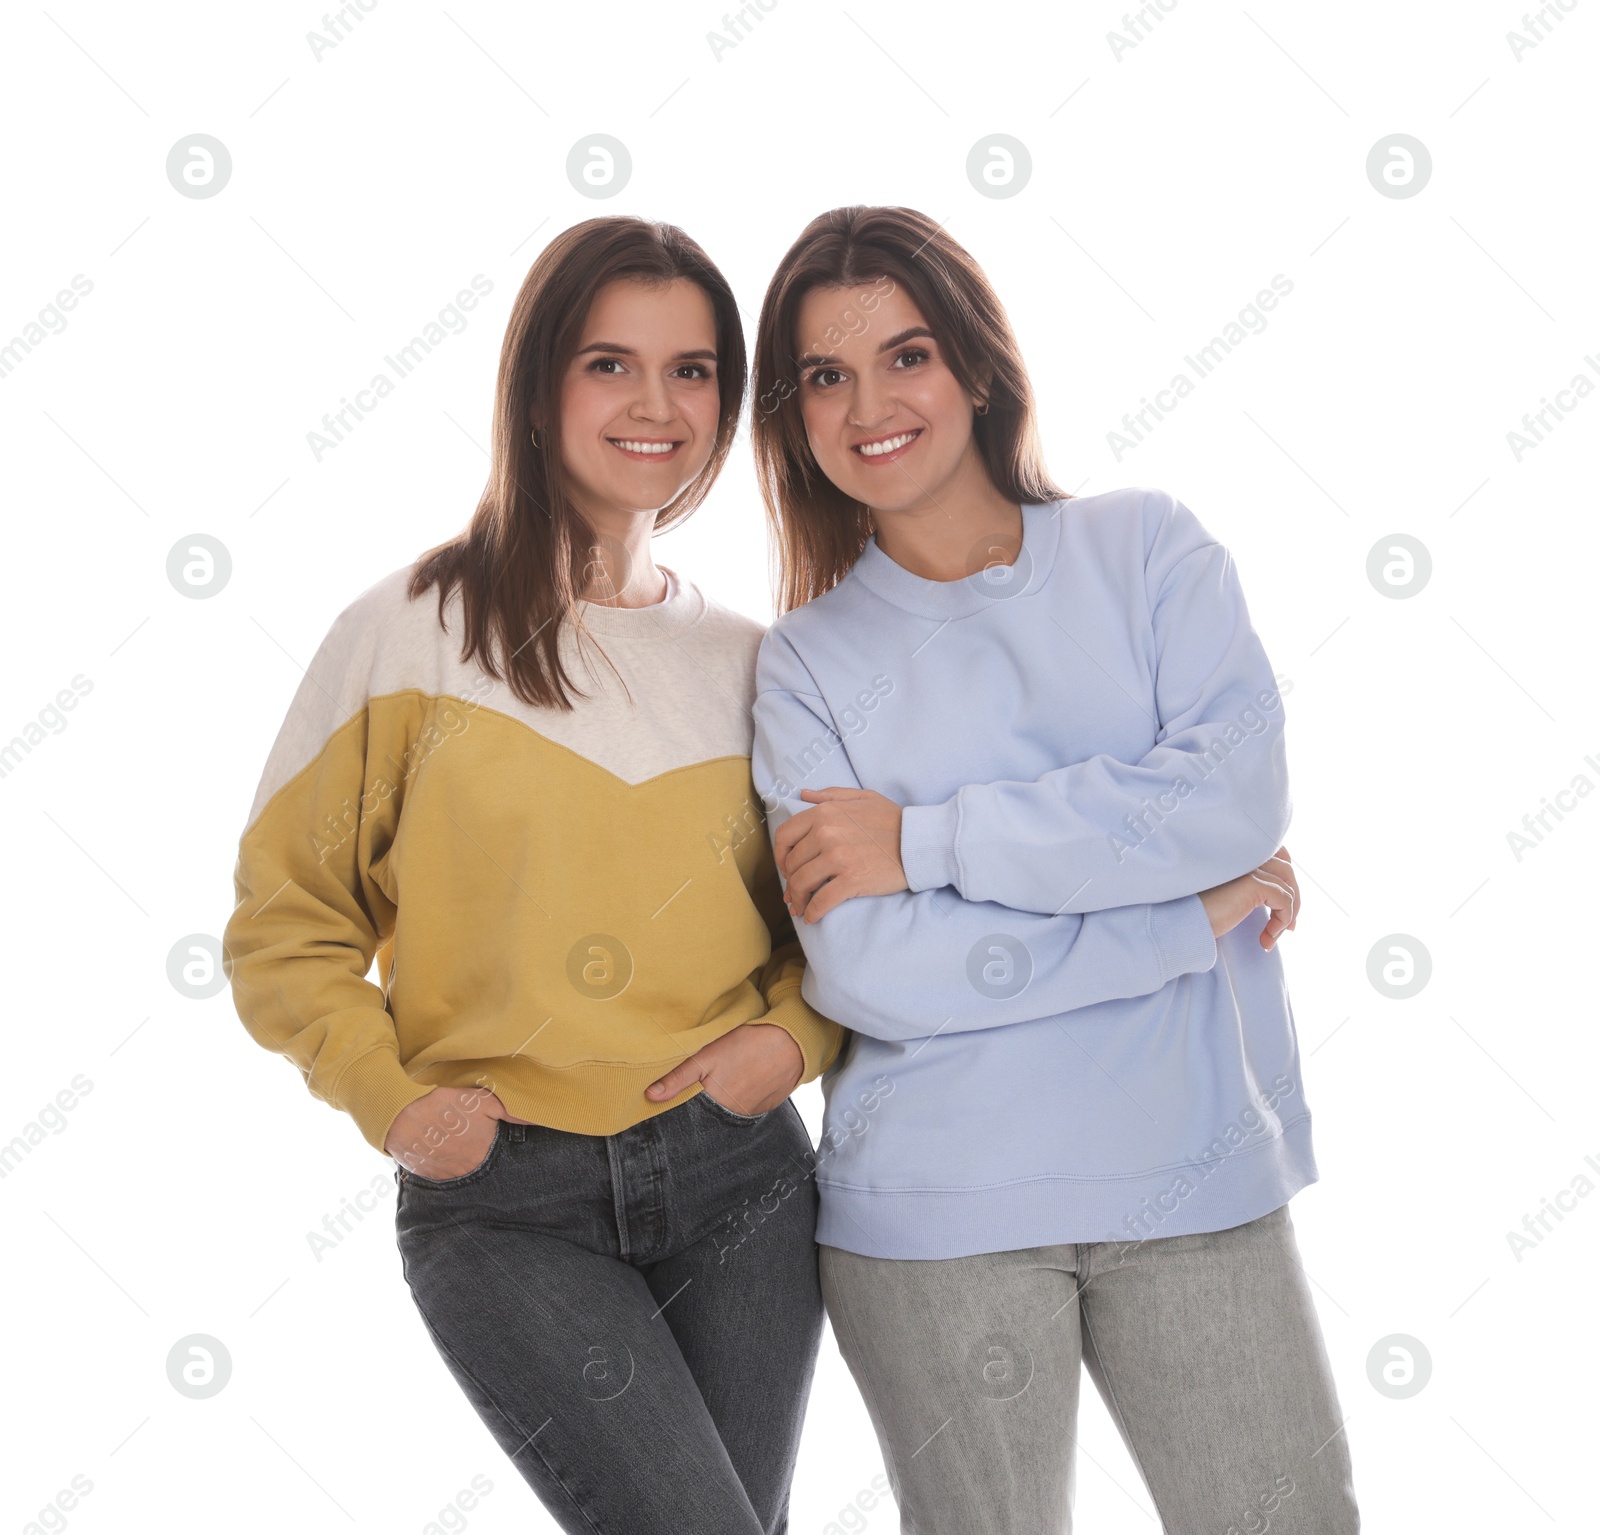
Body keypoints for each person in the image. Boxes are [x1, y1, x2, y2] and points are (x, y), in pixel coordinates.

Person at [223, 215, 844, 1535]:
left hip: (741, 1186)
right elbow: (287, 925)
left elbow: (833, 921)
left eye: (690, 371)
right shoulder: (405, 635)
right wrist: (390, 1098)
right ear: (537, 385)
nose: (655, 405)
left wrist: (787, 1046)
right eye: (608, 363)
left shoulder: (757, 660)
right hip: (511, 1208)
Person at [748, 205, 1359, 1533]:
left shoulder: (1146, 550)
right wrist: (1167, 923)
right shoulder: (802, 663)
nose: (870, 405)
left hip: (1191, 1172)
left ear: (973, 366)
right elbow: (872, 970)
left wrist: (926, 841)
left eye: (904, 356)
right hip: (932, 1214)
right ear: (792, 416)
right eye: (825, 377)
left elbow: (1232, 797)